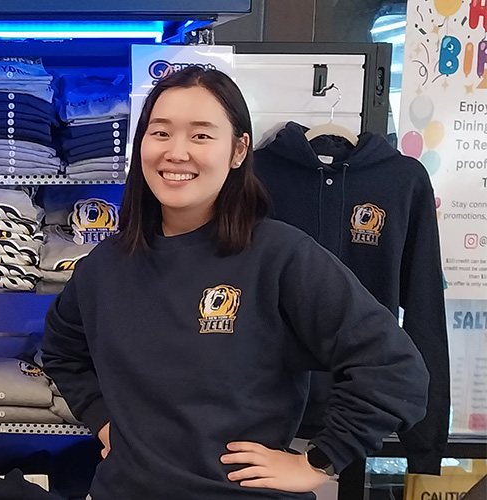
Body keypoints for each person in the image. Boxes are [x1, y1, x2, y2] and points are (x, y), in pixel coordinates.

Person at [41, 66, 429, 499]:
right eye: (161, 132)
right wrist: (104, 421)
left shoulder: (280, 256)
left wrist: (319, 459)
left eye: (201, 135)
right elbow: (61, 351)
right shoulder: (105, 266)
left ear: (238, 150)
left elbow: (395, 368)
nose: (176, 152)